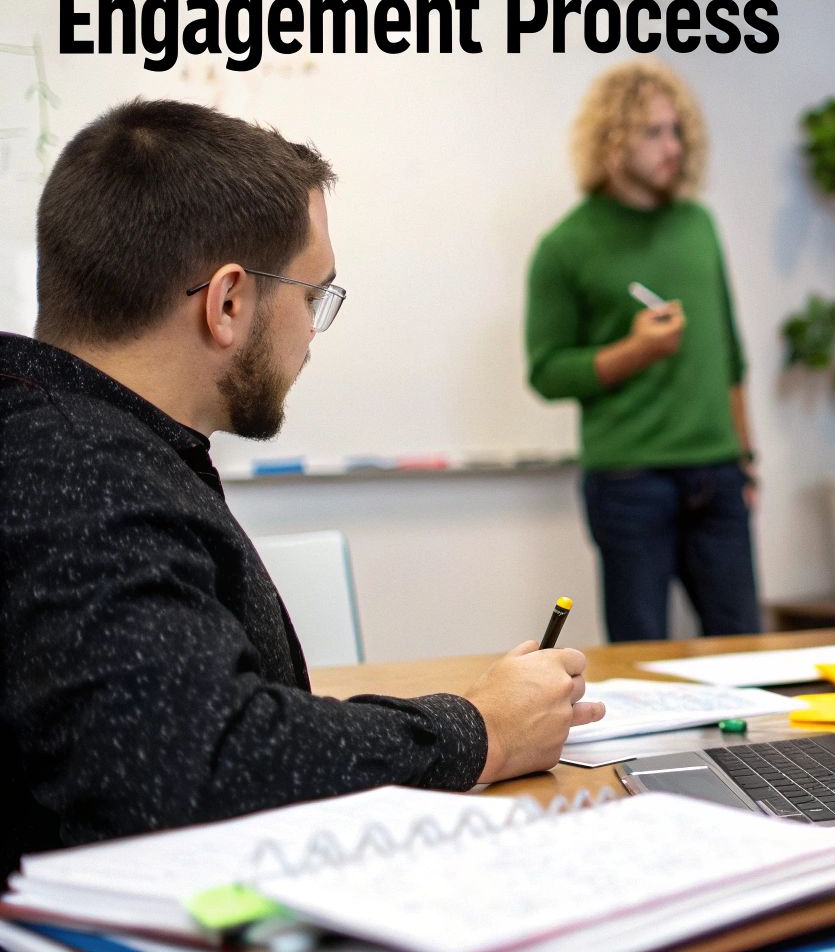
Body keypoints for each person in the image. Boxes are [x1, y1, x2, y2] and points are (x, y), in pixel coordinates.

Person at [0, 99, 605, 874]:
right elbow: (203, 767)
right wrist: (479, 730)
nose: (314, 332)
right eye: (313, 295)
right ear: (227, 303)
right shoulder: (81, 473)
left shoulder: (80, 440)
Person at [525, 61, 761, 642]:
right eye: (654, 132)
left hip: (718, 475)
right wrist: (634, 350)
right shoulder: (564, 247)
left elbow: (730, 352)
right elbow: (548, 372)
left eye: (678, 131)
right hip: (629, 483)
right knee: (639, 655)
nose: (673, 147)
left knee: (743, 647)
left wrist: (745, 459)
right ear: (612, 139)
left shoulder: (698, 225)